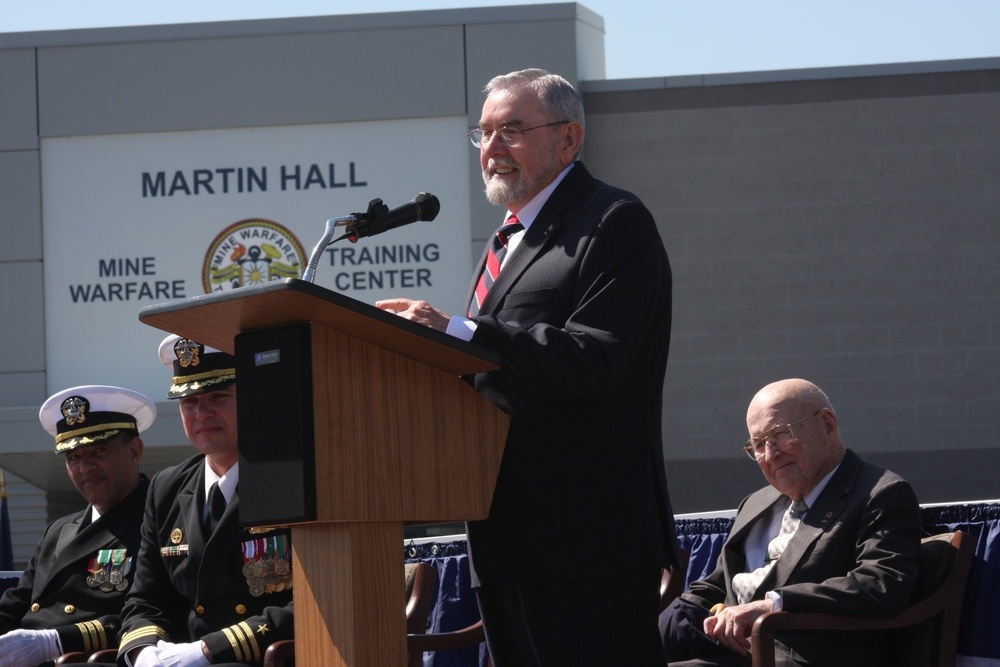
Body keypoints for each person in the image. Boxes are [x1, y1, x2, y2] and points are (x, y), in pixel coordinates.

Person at [375, 68, 679, 666]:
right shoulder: (504, 241)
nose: (491, 149)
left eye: (511, 131)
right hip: (504, 531)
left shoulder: (614, 221)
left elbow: (596, 356)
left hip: (588, 538)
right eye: (484, 134)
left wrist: (459, 331)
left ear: (569, 138)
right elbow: (494, 374)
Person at [659, 378, 923, 667]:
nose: (770, 455)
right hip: (732, 652)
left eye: (780, 434)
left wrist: (773, 603)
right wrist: (676, 617)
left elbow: (881, 585)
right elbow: (717, 584)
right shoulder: (755, 504)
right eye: (758, 444)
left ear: (827, 424)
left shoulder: (880, 492)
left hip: (799, 655)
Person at [116, 336, 292, 667]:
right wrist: (143, 653)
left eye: (217, 397)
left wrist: (207, 650)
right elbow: (146, 598)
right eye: (189, 402)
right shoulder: (166, 488)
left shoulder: (289, 478)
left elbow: (315, 599)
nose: (201, 413)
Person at [0, 385, 154, 667]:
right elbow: (15, 605)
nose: (85, 467)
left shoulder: (158, 521)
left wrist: (56, 641)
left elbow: (152, 615)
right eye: (74, 457)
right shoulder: (58, 531)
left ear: (134, 451)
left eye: (99, 451)